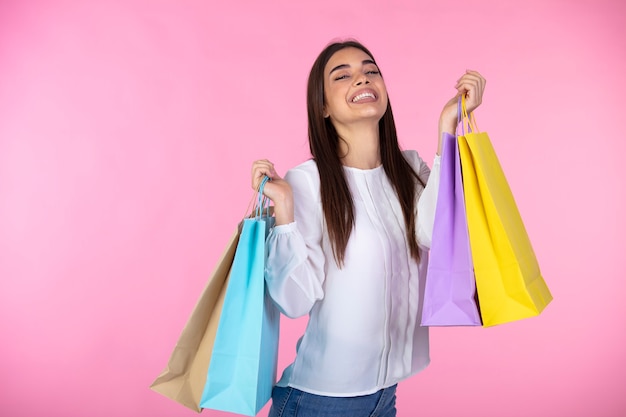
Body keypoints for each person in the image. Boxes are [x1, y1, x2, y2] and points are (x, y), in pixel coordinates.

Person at [250, 40, 486, 417]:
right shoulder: (308, 182)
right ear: (323, 107)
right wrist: (287, 208)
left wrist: (448, 125)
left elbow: (437, 234)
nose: (362, 78)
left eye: (371, 70)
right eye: (342, 75)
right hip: (318, 401)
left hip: (383, 397)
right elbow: (294, 302)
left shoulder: (409, 171)